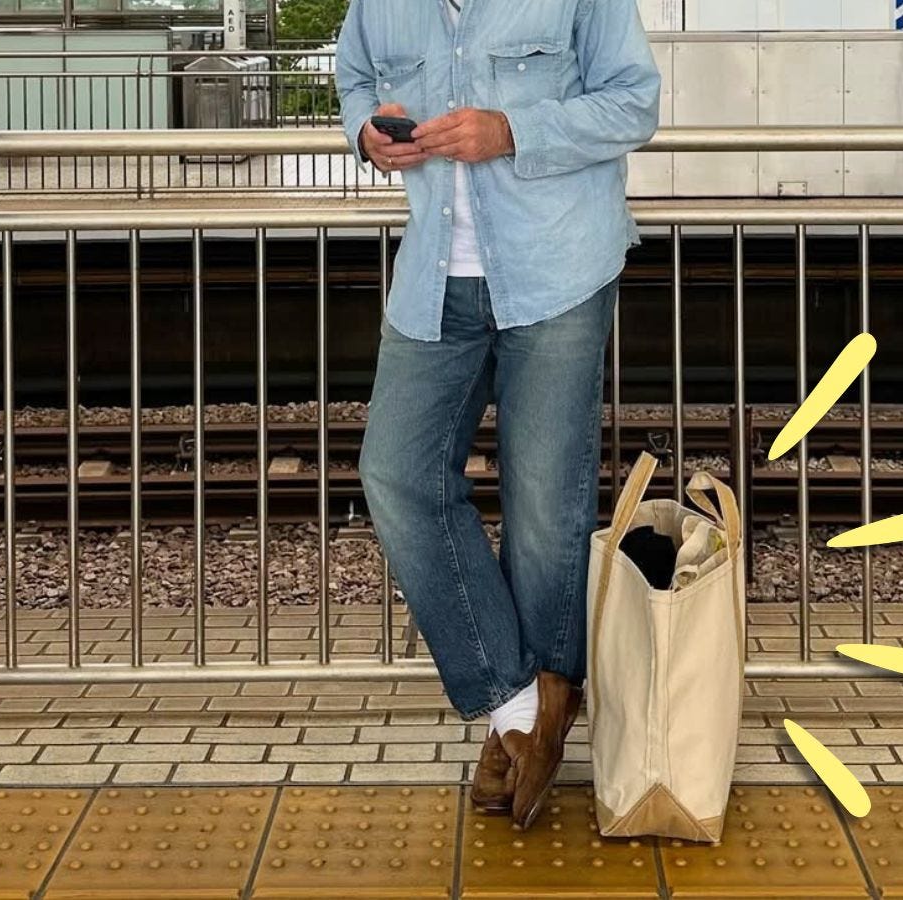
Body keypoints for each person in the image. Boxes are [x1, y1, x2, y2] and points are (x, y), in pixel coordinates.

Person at [336, 0, 660, 828]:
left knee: (545, 507)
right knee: (396, 471)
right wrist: (366, 136)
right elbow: (354, 83)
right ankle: (524, 709)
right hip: (433, 274)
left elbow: (634, 102)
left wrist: (512, 129)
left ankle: (535, 712)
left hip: (558, 268)